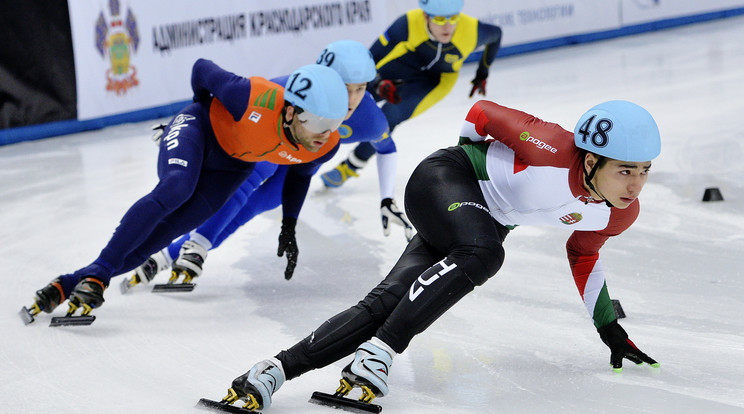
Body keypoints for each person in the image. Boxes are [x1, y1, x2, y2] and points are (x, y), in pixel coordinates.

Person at [215, 99, 662, 411]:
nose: (635, 185)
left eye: (643, 172)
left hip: (473, 224)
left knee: (390, 301)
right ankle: (381, 353)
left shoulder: (618, 214)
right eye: (624, 171)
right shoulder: (549, 145)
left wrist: (608, 326)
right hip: (444, 179)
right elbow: (481, 113)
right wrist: (469, 157)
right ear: (589, 162)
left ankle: (271, 372)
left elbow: (583, 257)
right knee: (485, 253)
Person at [21, 61, 349, 322]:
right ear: (291, 111)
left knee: (166, 233)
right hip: (199, 130)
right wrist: (197, 110)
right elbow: (201, 69)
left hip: (233, 166)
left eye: (332, 124)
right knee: (177, 188)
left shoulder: (326, 144)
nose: (325, 134)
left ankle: (70, 283)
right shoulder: (249, 96)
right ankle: (98, 272)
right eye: (319, 124)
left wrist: (288, 224)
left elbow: (298, 179)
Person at [124, 40, 413, 290]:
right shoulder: (290, 88)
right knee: (249, 178)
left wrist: (387, 198)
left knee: (265, 200)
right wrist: (189, 124)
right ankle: (196, 246)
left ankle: (172, 253)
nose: (350, 100)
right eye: (343, 88)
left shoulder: (370, 119)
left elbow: (387, 147)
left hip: (301, 160)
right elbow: (235, 101)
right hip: (273, 141)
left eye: (360, 89)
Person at [319, 0, 502, 191]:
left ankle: (350, 167)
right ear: (425, 16)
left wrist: (483, 72)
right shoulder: (406, 24)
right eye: (439, 19)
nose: (447, 26)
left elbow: (496, 35)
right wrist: (378, 82)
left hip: (435, 81)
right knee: (354, 97)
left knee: (389, 117)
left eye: (453, 18)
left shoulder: (473, 31)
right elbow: (370, 58)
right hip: (401, 66)